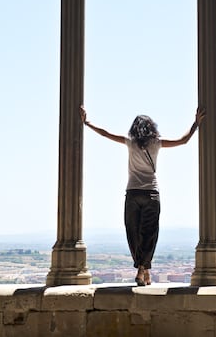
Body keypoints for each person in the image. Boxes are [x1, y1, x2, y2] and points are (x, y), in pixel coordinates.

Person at [79, 105, 205, 286]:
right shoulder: (157, 143)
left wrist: (87, 123)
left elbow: (105, 134)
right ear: (152, 128)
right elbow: (183, 141)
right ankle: (143, 271)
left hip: (133, 193)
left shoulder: (130, 143)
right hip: (152, 194)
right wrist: (196, 123)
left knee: (133, 232)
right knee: (149, 233)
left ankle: (142, 270)